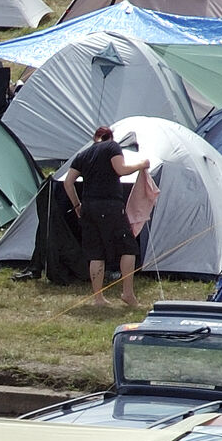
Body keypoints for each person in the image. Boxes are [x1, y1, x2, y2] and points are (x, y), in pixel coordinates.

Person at [63, 125, 149, 307]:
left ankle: (98, 298)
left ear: (95, 138)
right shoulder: (112, 147)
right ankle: (127, 294)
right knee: (128, 248)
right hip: (109, 205)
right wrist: (142, 164)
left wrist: (77, 205)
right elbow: (121, 170)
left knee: (96, 253)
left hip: (88, 206)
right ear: (110, 137)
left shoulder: (83, 154)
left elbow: (68, 182)